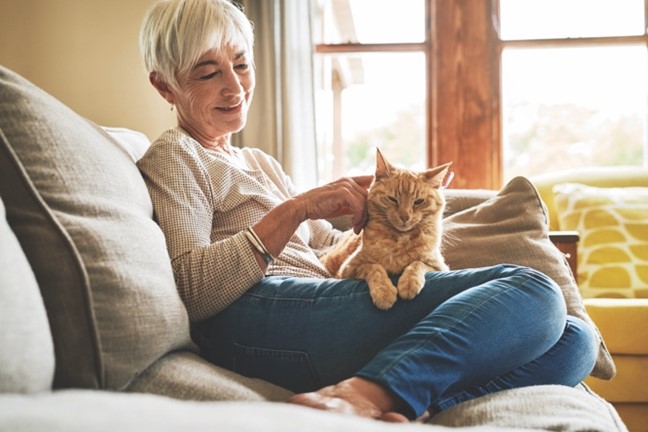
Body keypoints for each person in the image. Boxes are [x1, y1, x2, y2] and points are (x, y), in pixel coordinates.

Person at [137, 0, 598, 422]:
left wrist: (378, 216)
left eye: (240, 64)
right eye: (207, 73)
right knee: (533, 290)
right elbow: (193, 290)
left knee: (575, 340)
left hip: (325, 304)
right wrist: (297, 208)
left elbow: (328, 250)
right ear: (165, 86)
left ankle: (403, 397)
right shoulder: (175, 156)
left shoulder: (258, 162)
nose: (234, 86)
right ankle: (368, 394)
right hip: (260, 316)